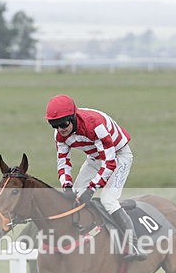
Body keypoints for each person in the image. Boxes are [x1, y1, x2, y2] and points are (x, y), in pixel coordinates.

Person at [44, 94, 147, 262]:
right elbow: (63, 162)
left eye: (63, 124)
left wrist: (92, 189)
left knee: (108, 200)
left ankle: (134, 245)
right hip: (94, 158)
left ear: (72, 118)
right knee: (75, 195)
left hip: (118, 156)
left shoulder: (95, 126)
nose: (60, 129)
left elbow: (110, 162)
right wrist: (67, 185)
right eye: (54, 125)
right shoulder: (59, 135)